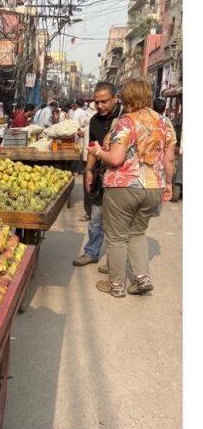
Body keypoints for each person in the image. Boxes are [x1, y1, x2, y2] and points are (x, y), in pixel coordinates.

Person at [87, 78, 176, 296]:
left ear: (125, 98)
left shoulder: (125, 122)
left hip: (123, 187)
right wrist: (168, 184)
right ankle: (142, 279)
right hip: (153, 187)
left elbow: (116, 159)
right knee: (137, 233)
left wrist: (98, 152)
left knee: (116, 237)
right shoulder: (165, 122)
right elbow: (170, 161)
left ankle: (116, 285)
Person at [74, 82, 124, 259]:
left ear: (115, 99)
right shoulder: (94, 120)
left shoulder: (125, 118)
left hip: (122, 178)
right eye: (97, 102)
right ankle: (91, 252)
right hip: (101, 176)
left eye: (105, 101)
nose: (101, 105)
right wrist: (88, 170)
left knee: (117, 223)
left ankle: (114, 261)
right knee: (95, 218)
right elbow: (93, 147)